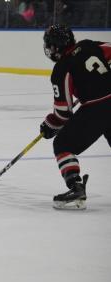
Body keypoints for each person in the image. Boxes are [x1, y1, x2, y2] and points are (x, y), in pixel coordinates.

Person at [39, 24, 110, 210]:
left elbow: (63, 114)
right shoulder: (89, 45)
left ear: (56, 47)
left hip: (97, 109)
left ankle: (76, 186)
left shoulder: (62, 68)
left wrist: (49, 125)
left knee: (63, 144)